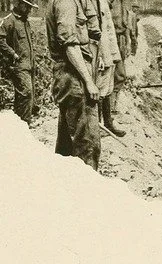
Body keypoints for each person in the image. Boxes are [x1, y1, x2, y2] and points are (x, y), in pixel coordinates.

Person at [46, 0, 102, 170]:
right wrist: (89, 82)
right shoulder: (66, 2)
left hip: (72, 76)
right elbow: (69, 44)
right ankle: (87, 191)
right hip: (74, 77)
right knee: (88, 145)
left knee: (66, 147)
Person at [0, 0, 38, 125]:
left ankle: (20, 124)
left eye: (30, 7)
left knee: (26, 95)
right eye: (27, 6)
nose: (29, 10)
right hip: (18, 65)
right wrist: (12, 54)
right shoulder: (9, 20)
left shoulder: (25, 21)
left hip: (29, 64)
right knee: (26, 93)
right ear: (19, 4)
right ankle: (25, 124)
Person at [96, 0, 125, 137]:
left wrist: (115, 54)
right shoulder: (95, 3)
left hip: (109, 53)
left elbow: (109, 30)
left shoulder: (104, 4)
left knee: (108, 89)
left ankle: (108, 123)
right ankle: (99, 125)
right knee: (101, 91)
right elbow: (94, 32)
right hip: (101, 53)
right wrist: (99, 56)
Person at [109, 0, 129, 113]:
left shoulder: (123, 4)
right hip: (111, 39)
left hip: (120, 40)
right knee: (114, 74)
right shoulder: (109, 3)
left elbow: (125, 25)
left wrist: (128, 43)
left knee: (120, 75)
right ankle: (109, 107)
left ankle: (112, 105)